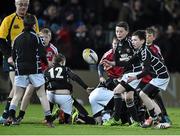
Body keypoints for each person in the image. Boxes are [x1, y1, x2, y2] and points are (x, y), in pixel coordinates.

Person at [3, 14, 54, 127]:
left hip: (20, 70)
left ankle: (10, 117)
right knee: (42, 95)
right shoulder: (36, 37)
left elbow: (13, 57)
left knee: (17, 95)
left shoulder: (17, 39)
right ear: (34, 25)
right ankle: (49, 120)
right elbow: (42, 54)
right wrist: (47, 63)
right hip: (35, 70)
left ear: (23, 24)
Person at [0, 0, 39, 123]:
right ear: (15, 4)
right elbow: (1, 40)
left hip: (26, 58)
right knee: (16, 86)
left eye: (25, 5)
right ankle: (7, 114)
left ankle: (7, 114)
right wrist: (8, 56)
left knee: (17, 87)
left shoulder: (33, 19)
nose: (23, 7)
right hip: (11, 57)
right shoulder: (8, 20)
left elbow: (36, 37)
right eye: (20, 4)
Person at [102, 21, 143, 126]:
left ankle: (116, 119)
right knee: (128, 98)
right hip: (127, 73)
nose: (118, 33)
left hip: (135, 72)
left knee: (116, 91)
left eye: (121, 31)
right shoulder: (117, 46)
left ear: (127, 32)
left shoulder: (131, 42)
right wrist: (110, 63)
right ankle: (137, 122)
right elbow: (117, 62)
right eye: (117, 31)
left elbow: (141, 53)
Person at [127, 30, 170, 128]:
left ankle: (155, 120)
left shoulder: (145, 52)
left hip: (161, 76)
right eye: (132, 40)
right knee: (148, 97)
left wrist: (135, 77)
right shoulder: (140, 50)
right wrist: (114, 63)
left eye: (135, 40)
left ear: (142, 41)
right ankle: (160, 120)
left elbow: (146, 71)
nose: (132, 42)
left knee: (143, 94)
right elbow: (131, 61)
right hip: (157, 76)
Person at [15, 28, 59, 123]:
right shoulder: (35, 45)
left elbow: (57, 63)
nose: (44, 39)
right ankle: (20, 115)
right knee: (28, 93)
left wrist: (52, 64)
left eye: (46, 37)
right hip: (35, 73)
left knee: (50, 95)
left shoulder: (53, 49)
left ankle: (50, 117)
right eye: (42, 37)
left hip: (48, 75)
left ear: (50, 38)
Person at [89, 37, 131, 125]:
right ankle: (103, 115)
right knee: (94, 96)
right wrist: (101, 77)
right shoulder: (108, 54)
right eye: (114, 44)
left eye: (118, 44)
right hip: (112, 80)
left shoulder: (126, 54)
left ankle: (115, 115)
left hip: (124, 79)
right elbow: (100, 66)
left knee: (126, 97)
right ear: (112, 44)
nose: (116, 46)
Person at [45, 53, 94, 124]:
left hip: (50, 96)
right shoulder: (65, 69)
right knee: (67, 120)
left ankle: (49, 117)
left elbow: (43, 83)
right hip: (64, 97)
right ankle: (76, 116)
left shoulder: (47, 70)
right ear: (62, 61)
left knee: (49, 92)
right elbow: (75, 77)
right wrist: (86, 87)